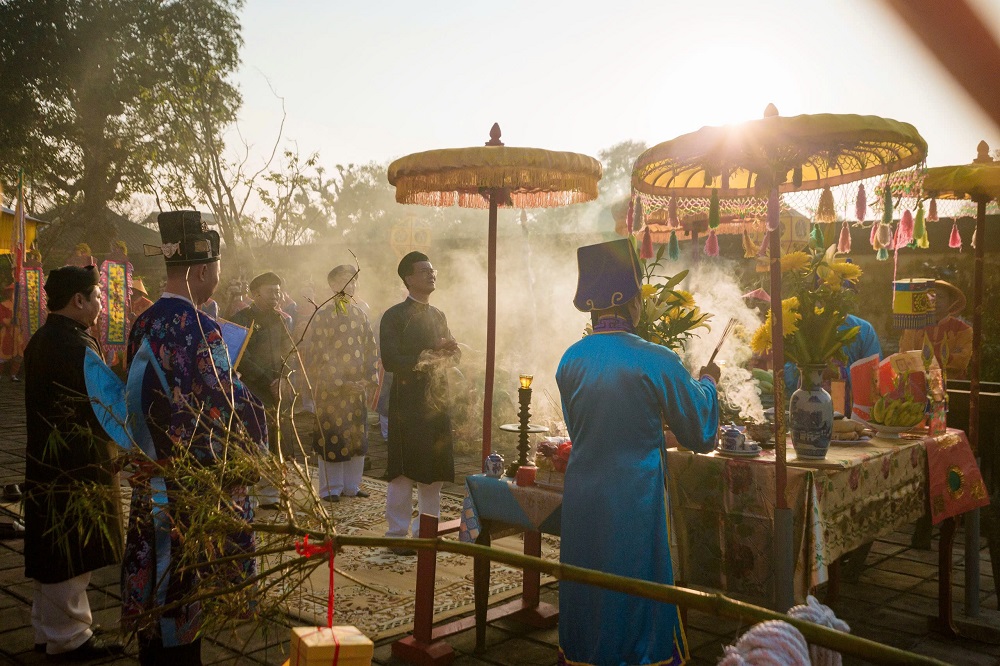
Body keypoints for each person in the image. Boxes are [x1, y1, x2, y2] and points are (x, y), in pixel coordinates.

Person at [555, 239, 720, 666]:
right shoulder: (654, 359)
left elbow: (586, 428)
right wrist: (709, 383)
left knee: (588, 582)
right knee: (635, 582)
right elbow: (699, 431)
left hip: (584, 493)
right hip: (634, 495)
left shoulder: (569, 360)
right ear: (632, 302)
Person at [123, 211, 267, 665]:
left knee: (158, 585)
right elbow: (229, 400)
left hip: (153, 470)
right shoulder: (201, 328)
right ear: (202, 270)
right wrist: (260, 441)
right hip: (193, 481)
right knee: (185, 582)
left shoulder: (142, 324)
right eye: (217, 272)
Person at [23, 265, 125, 659]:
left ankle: (48, 631)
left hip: (50, 462)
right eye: (97, 297)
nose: (101, 304)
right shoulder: (76, 346)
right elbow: (101, 406)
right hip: (76, 465)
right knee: (71, 551)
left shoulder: (43, 339)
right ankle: (70, 639)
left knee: (53, 549)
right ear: (78, 300)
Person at [380, 252, 460, 555]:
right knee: (403, 470)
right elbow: (390, 360)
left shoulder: (438, 315)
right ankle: (397, 533)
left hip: (437, 399)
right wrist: (425, 355)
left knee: (434, 469)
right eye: (424, 271)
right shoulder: (395, 316)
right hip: (407, 400)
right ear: (408, 278)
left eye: (432, 270)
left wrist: (452, 352)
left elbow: (450, 351)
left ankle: (428, 530)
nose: (431, 275)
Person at [300, 265, 379, 503]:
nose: (351, 286)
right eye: (345, 281)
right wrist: (340, 383)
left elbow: (370, 349)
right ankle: (330, 489)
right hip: (331, 391)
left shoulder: (360, 314)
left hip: (357, 390)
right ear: (333, 286)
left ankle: (352, 486)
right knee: (332, 437)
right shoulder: (322, 316)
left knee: (357, 438)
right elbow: (317, 355)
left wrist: (366, 380)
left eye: (354, 281)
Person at [230, 271, 294, 507]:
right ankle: (248, 494)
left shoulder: (284, 319)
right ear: (255, 294)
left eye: (278, 291)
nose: (276, 296)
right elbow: (241, 356)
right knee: (251, 439)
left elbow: (289, 352)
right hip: (251, 388)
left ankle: (271, 495)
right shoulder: (242, 319)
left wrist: (285, 378)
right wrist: (268, 379)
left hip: (278, 388)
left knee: (277, 440)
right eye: (271, 291)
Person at [899, 279, 972, 379]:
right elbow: (904, 356)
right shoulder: (912, 327)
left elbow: (960, 362)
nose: (935, 300)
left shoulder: (963, 330)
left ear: (951, 301)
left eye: (941, 297)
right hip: (918, 385)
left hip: (952, 385)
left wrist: (922, 359)